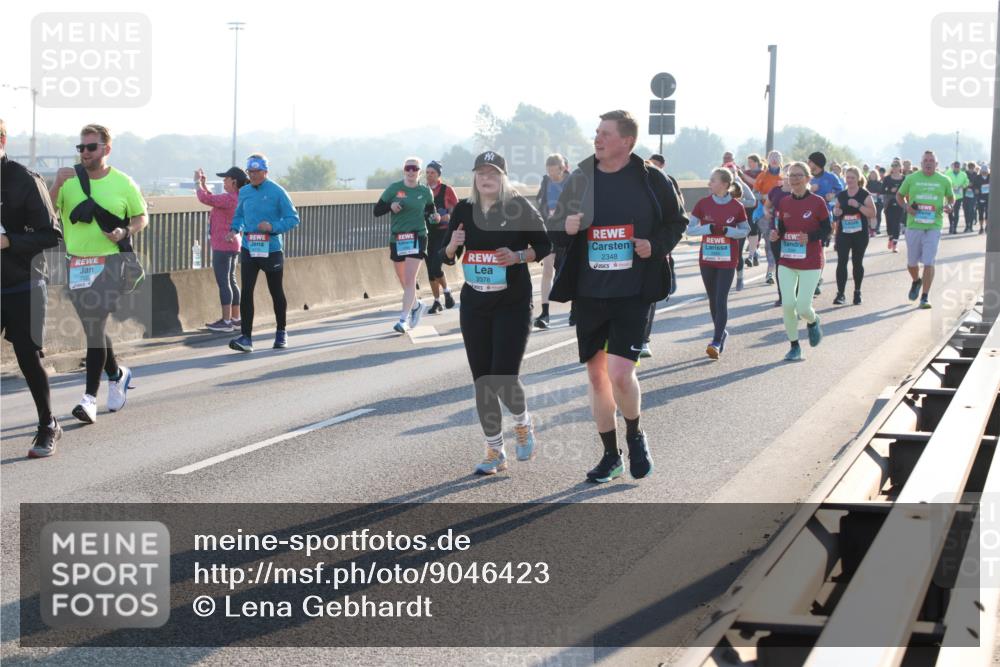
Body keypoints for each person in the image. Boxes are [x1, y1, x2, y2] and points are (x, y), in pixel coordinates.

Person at [548, 110, 687, 483]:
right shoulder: (581, 178)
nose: (597, 139)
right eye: (597, 132)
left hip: (633, 291)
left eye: (605, 134)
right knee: (597, 378)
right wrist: (566, 226)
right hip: (590, 291)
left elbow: (678, 222)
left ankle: (635, 433)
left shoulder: (652, 179)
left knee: (621, 373)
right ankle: (611, 456)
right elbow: (555, 228)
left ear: (626, 141)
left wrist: (654, 245)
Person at [440, 151, 551, 474]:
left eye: (492, 173)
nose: (486, 178)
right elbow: (446, 256)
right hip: (475, 305)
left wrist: (517, 256)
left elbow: (546, 245)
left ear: (503, 177)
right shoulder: (464, 208)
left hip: (512, 305)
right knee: (483, 381)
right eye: (480, 173)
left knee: (503, 377)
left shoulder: (518, 206)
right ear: (474, 177)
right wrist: (452, 244)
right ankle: (494, 451)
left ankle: (523, 423)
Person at [49, 124, 147, 423]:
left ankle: (89, 399)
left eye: (91, 147)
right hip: (77, 264)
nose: (85, 153)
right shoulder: (68, 181)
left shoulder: (123, 182)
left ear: (106, 149)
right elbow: (47, 212)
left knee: (94, 326)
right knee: (93, 327)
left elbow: (141, 216)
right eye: (81, 147)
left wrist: (125, 231)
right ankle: (117, 375)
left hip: (110, 263)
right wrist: (56, 183)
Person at [0, 119, 64, 457]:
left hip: (23, 282)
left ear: (2, 141)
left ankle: (48, 424)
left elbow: (52, 235)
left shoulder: (25, 179)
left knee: (27, 356)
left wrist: (9, 241)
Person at [226, 154, 300, 352]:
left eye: (257, 171)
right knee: (247, 292)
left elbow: (293, 218)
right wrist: (234, 230)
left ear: (266, 172)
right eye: (250, 172)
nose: (253, 175)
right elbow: (239, 215)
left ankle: (281, 332)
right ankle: (246, 338)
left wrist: (272, 227)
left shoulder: (277, 191)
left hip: (271, 249)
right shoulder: (244, 192)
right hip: (249, 247)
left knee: (276, 291)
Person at [685, 168, 749, 358]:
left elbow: (745, 230)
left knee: (721, 299)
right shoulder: (703, 204)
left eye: (713, 180)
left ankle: (716, 340)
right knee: (713, 299)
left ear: (724, 184)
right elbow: (689, 229)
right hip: (707, 259)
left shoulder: (737, 206)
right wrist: (708, 229)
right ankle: (721, 334)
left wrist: (729, 231)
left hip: (727, 260)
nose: (709, 183)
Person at [770, 161, 830, 361]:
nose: (794, 179)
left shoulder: (817, 202)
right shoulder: (784, 202)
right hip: (787, 260)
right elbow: (782, 228)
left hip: (810, 261)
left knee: (803, 308)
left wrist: (810, 237)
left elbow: (827, 229)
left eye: (798, 175)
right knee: (788, 305)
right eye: (791, 175)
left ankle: (813, 320)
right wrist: (776, 235)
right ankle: (794, 346)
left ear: (807, 178)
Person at [373, 157, 438, 333]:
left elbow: (430, 212)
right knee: (403, 280)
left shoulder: (425, 191)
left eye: (414, 169)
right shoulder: (394, 188)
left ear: (419, 172)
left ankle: (403, 320)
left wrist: (435, 217)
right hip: (398, 239)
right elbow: (376, 211)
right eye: (408, 168)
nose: (411, 171)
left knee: (410, 280)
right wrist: (391, 206)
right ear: (404, 170)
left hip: (418, 236)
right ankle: (416, 306)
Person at [897, 150, 955, 310]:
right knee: (911, 263)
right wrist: (906, 207)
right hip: (914, 225)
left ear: (936, 164)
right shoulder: (911, 178)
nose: (928, 163)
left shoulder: (944, 180)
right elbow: (899, 196)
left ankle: (925, 296)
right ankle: (916, 281)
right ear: (921, 164)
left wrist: (950, 205)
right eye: (926, 161)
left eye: (931, 161)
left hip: (934, 226)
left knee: (929, 261)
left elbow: (951, 197)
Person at [639, 153, 684, 358]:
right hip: (627, 252)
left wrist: (658, 244)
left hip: (655, 248)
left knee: (649, 294)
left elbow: (677, 213)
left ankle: (643, 339)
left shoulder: (664, 180)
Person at [195, 166, 248, 332]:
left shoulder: (230, 198)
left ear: (234, 182)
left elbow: (205, 199)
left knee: (224, 283)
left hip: (223, 244)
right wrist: (204, 185)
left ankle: (226, 322)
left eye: (226, 179)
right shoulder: (237, 197)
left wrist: (197, 183)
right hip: (234, 243)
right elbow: (213, 199)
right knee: (231, 280)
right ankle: (236, 319)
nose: (223, 181)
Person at [535, 153, 571, 329]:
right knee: (547, 269)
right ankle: (545, 313)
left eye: (554, 172)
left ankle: (575, 310)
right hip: (550, 231)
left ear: (562, 168)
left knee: (569, 271)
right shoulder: (545, 182)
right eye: (548, 172)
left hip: (568, 232)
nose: (551, 175)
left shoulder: (573, 182)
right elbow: (540, 202)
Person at [832, 166, 876, 305]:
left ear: (858, 179)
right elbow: (836, 210)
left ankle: (857, 292)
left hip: (860, 234)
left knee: (857, 263)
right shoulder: (842, 195)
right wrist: (837, 212)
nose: (850, 180)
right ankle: (840, 294)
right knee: (842, 262)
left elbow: (872, 213)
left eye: (852, 177)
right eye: (848, 177)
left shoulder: (864, 194)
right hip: (844, 233)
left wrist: (858, 205)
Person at [423, 161, 458, 314]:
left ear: (438, 175)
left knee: (435, 267)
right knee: (430, 271)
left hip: (443, 233)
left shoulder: (447, 190)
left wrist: (445, 217)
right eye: (427, 172)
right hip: (426, 233)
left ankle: (447, 291)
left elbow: (457, 211)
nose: (429, 175)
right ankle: (437, 301)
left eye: (432, 173)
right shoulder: (422, 191)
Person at [807, 152, 843, 296]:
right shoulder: (806, 177)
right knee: (808, 249)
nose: (808, 164)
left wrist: (832, 195)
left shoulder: (831, 177)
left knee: (820, 249)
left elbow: (841, 191)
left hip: (824, 216)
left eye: (810, 162)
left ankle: (817, 279)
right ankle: (808, 278)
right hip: (807, 216)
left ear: (817, 163)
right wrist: (810, 189)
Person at [753, 151, 785, 284]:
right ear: (767, 160)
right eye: (772, 157)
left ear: (781, 160)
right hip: (765, 213)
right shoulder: (762, 176)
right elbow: (754, 193)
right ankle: (770, 271)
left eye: (777, 157)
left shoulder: (785, 176)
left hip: (783, 213)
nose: (774, 159)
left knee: (783, 241)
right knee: (769, 241)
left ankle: (782, 269)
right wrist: (764, 196)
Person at [882, 160, 907, 253]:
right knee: (889, 223)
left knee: (897, 223)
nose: (895, 167)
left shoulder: (904, 178)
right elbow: (882, 190)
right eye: (893, 165)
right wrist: (890, 189)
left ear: (900, 167)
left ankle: (895, 244)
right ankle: (890, 238)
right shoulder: (887, 178)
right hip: (889, 202)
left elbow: (907, 189)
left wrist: (900, 191)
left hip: (900, 201)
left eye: (896, 165)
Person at [944, 160, 970, 234]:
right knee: (950, 211)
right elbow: (945, 182)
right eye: (955, 167)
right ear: (953, 167)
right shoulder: (948, 174)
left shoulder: (963, 174)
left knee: (956, 212)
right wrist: (951, 187)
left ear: (960, 167)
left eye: (958, 167)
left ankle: (954, 228)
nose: (957, 168)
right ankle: (951, 226)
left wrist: (962, 186)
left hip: (959, 196)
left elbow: (967, 182)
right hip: (949, 196)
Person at [963, 162, 981, 233]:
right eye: (970, 168)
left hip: (973, 195)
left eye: (972, 168)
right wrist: (967, 185)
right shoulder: (964, 174)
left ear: (974, 168)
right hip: (965, 195)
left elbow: (978, 184)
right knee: (966, 211)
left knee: (971, 210)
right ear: (968, 168)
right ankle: (967, 225)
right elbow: (962, 183)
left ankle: (970, 226)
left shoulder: (976, 175)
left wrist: (975, 188)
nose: (971, 169)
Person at [866, 169, 883, 236]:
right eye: (872, 174)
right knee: (869, 216)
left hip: (878, 202)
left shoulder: (880, 183)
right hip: (868, 201)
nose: (873, 175)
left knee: (877, 215)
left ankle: (877, 228)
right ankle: (870, 228)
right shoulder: (867, 183)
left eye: (874, 174)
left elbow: (882, 192)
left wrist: (875, 194)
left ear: (877, 175)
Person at [977, 164, 991, 234]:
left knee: (988, 213)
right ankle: (981, 227)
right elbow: (974, 186)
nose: (984, 173)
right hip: (980, 197)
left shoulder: (990, 177)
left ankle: (987, 226)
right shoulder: (978, 177)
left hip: (989, 198)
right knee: (980, 213)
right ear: (981, 171)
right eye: (983, 171)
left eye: (985, 171)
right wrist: (976, 190)